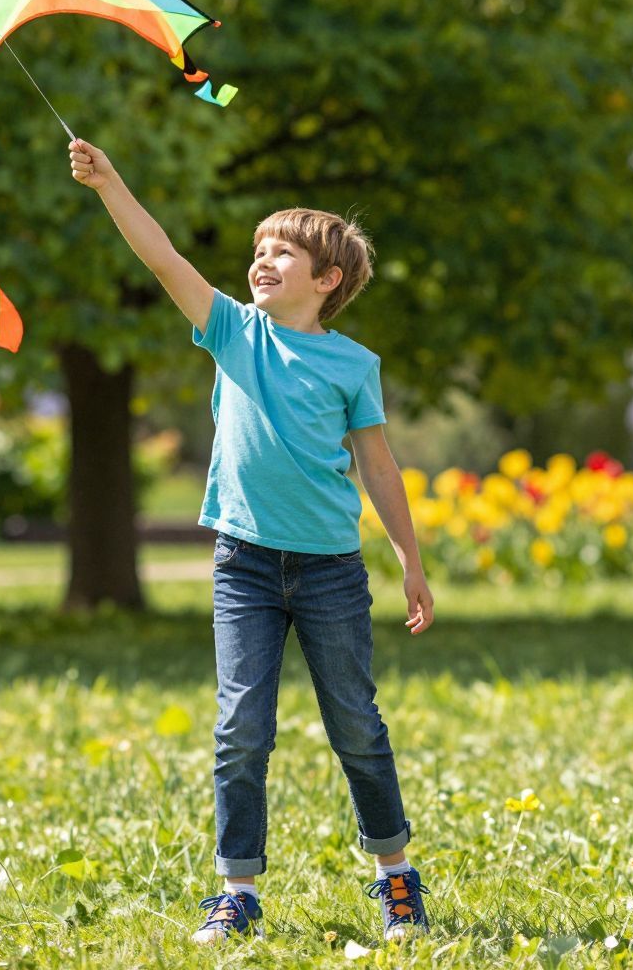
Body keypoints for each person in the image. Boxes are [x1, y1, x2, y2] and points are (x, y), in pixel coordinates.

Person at [68, 137, 435, 944]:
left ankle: (396, 876)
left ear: (327, 280)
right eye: (259, 249)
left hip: (331, 571)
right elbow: (163, 257)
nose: (262, 260)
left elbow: (378, 466)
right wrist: (110, 183)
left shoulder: (354, 366)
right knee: (240, 729)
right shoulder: (233, 331)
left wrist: (411, 561)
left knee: (356, 724)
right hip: (244, 565)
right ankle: (237, 892)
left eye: (283, 252)